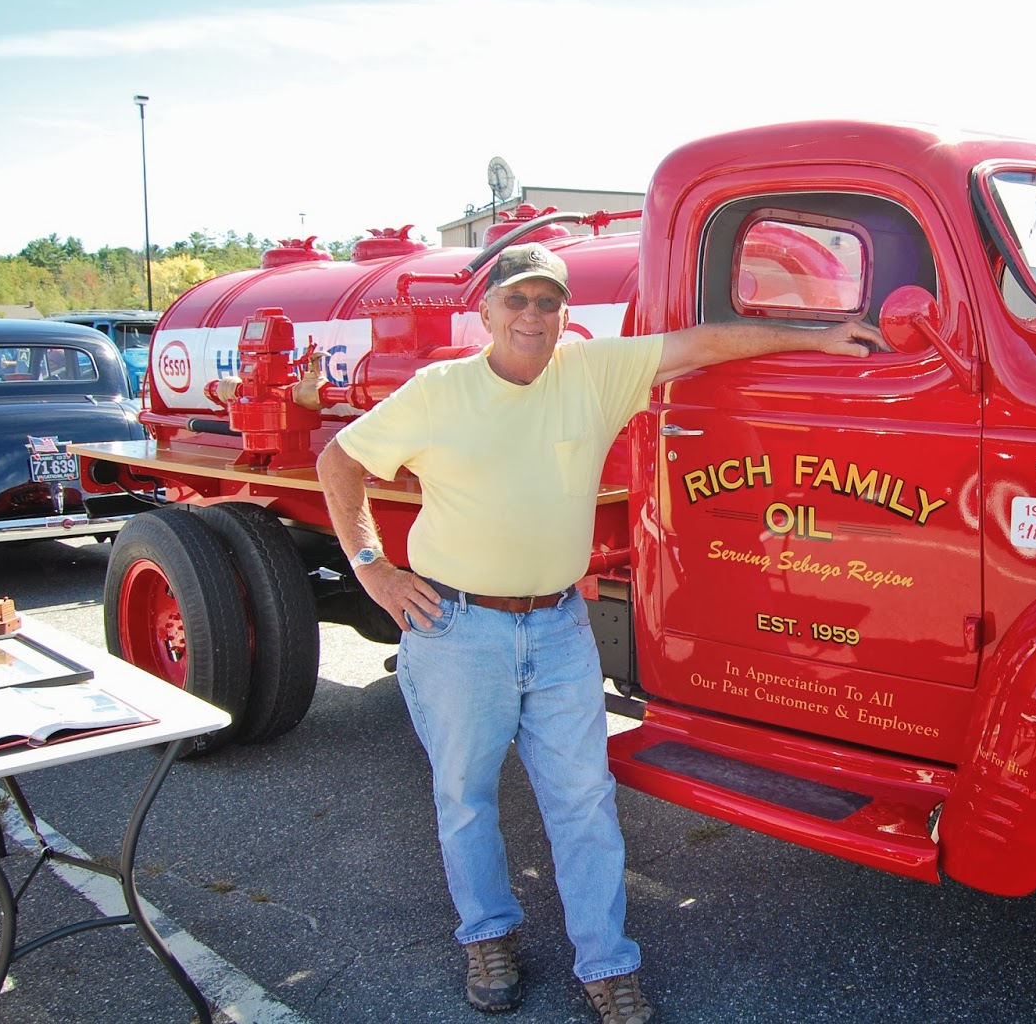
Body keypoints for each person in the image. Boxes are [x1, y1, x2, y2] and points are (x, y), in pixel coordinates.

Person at [318, 242, 884, 1022]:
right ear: (484, 312)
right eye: (517, 301)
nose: (533, 316)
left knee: (582, 798)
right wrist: (373, 568)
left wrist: (816, 336)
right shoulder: (437, 392)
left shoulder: (592, 375)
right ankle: (487, 934)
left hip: (557, 627)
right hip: (457, 629)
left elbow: (708, 343)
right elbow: (338, 461)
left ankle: (606, 964)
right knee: (465, 796)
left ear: (563, 316)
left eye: (548, 302)